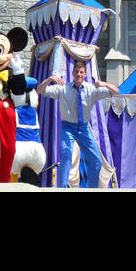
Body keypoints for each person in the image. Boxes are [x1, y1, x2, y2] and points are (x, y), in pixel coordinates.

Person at [37, 60, 118, 188]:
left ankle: (92, 189)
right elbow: (40, 90)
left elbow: (116, 91)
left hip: (84, 129)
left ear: (85, 74)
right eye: (77, 72)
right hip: (68, 127)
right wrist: (50, 79)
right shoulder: (63, 89)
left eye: (82, 72)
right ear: (73, 73)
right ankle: (62, 188)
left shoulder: (92, 90)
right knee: (66, 153)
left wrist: (103, 83)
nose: (79, 74)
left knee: (96, 160)